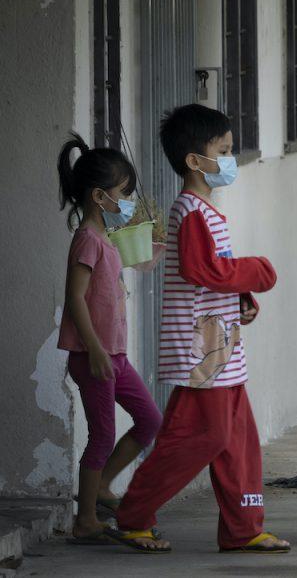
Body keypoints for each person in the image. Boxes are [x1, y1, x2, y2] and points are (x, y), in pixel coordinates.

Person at [108, 104, 288, 553]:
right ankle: (133, 517)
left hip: (220, 350)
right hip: (201, 353)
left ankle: (244, 528)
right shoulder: (190, 212)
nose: (230, 159)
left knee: (236, 440)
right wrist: (258, 271)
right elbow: (203, 269)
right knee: (202, 438)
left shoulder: (204, 211)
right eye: (223, 151)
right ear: (195, 161)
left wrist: (242, 300)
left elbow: (213, 277)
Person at [55, 134, 163, 546]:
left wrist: (154, 249)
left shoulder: (105, 238)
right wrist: (96, 350)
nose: (130, 201)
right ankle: (85, 519)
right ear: (100, 197)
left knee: (150, 419)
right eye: (125, 194)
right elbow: (75, 298)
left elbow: (128, 263)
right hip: (94, 355)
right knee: (101, 434)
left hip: (113, 355)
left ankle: (100, 488)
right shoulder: (86, 239)